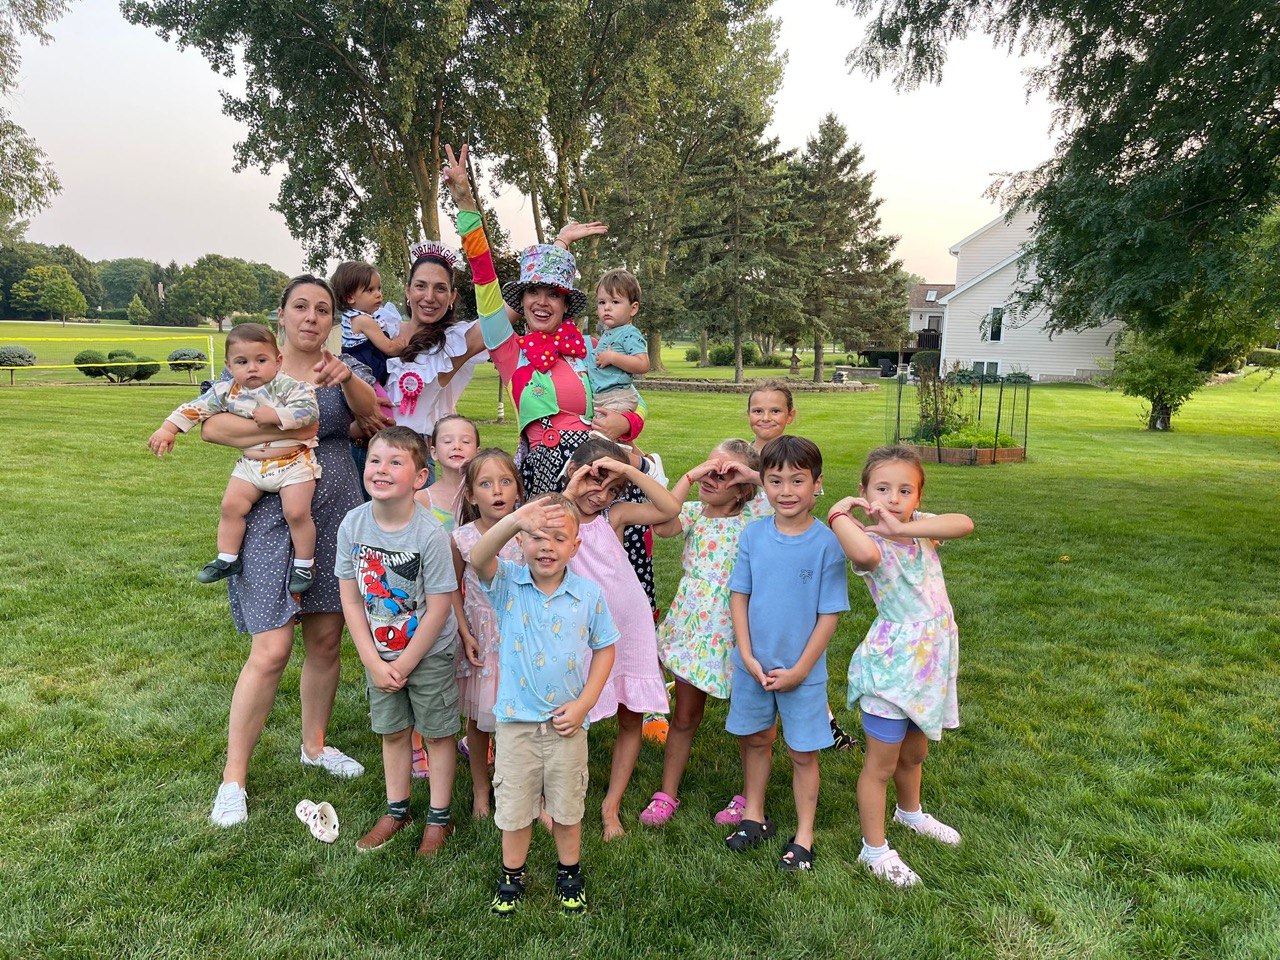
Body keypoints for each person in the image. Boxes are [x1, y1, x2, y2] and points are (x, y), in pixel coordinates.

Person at [202, 275, 381, 827]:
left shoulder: (342, 370)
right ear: (281, 315)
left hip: (334, 509)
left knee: (325, 640)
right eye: (300, 307)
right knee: (271, 649)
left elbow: (372, 416)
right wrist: (280, 442)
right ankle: (233, 778)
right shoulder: (256, 368)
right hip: (267, 514)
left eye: (322, 309)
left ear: (333, 320)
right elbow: (212, 427)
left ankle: (315, 746)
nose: (311, 317)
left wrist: (347, 379)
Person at [827, 445, 974, 888]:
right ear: (864, 492)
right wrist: (838, 515)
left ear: (918, 497)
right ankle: (873, 849)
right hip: (892, 670)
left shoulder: (920, 528)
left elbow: (964, 523)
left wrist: (907, 526)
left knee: (915, 753)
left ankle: (910, 813)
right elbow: (864, 557)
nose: (893, 498)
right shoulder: (868, 540)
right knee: (882, 764)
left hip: (929, 666)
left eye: (905, 490)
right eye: (882, 489)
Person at [470, 495, 618, 916]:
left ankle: (569, 873)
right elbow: (478, 556)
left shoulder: (588, 594)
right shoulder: (508, 584)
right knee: (515, 808)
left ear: (575, 546)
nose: (547, 546)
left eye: (558, 537)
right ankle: (511, 876)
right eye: (536, 536)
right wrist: (518, 518)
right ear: (520, 542)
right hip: (516, 725)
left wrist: (585, 704)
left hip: (566, 726)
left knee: (567, 808)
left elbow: (605, 648)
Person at [441, 143, 609, 495]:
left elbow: (629, 396)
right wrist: (466, 204)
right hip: (541, 481)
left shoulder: (589, 348)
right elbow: (483, 277)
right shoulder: (508, 350)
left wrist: (624, 425)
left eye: (553, 295)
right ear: (522, 300)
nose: (542, 302)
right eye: (533, 292)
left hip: (598, 476)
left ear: (565, 304)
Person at [724, 435, 849, 871]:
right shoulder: (753, 534)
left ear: (818, 484)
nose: (787, 491)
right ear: (763, 483)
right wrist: (746, 654)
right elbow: (739, 596)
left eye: (798, 480)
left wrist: (799, 671)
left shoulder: (827, 544)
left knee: (802, 752)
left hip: (802, 673)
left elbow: (829, 615)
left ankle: (804, 836)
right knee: (756, 740)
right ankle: (754, 816)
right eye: (776, 481)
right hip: (753, 667)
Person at [336, 427, 462, 856]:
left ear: (420, 477)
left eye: (395, 462)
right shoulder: (353, 524)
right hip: (380, 655)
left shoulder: (429, 534)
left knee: (437, 735)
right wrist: (373, 661)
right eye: (374, 460)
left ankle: (439, 817)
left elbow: (440, 607)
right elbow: (351, 599)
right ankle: (397, 810)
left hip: (428, 653)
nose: (381, 469)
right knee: (392, 732)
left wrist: (405, 664)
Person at [640, 439, 764, 828]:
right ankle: (667, 793)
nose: (711, 478)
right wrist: (691, 475)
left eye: (724, 475)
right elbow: (662, 523)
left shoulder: (756, 518)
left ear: (743, 488)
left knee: (748, 720)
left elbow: (786, 493)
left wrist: (751, 474)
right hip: (693, 632)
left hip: (737, 631)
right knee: (684, 716)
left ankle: (749, 797)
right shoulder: (694, 513)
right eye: (709, 468)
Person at [560, 438, 680, 840]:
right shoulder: (555, 512)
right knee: (570, 716)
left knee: (631, 715)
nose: (602, 495)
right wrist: (572, 489)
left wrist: (628, 470)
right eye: (596, 483)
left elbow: (669, 509)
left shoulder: (615, 515)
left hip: (628, 626)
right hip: (578, 633)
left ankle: (610, 805)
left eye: (612, 489)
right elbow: (535, 532)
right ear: (574, 471)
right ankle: (556, 797)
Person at [148, 322, 320, 595]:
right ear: (229, 365)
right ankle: (227, 558)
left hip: (293, 462)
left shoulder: (289, 386)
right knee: (230, 506)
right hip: (251, 465)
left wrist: (277, 415)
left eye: (261, 360)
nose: (252, 368)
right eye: (242, 362)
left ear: (277, 361)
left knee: (296, 512)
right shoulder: (226, 391)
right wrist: (168, 428)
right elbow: (196, 408)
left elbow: (309, 411)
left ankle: (304, 564)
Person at [743, 381, 858, 751]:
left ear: (790, 415)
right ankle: (759, 717)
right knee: (759, 639)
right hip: (756, 551)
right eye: (758, 410)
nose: (766, 417)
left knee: (794, 644)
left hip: (793, 552)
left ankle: (822, 721)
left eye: (775, 410)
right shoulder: (742, 454)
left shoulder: (796, 455)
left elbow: (804, 499)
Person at [451, 448, 526, 818]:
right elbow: (451, 587)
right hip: (482, 637)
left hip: (520, 637)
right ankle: (481, 790)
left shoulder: (527, 534)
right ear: (471, 495)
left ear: (517, 490)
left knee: (522, 720)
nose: (497, 490)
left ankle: (520, 787)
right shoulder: (462, 538)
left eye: (505, 481)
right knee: (480, 721)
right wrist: (464, 632)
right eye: (485, 483)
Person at [409, 412, 480, 780]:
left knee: (472, 667)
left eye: (466, 440)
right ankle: (416, 742)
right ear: (433, 451)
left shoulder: (484, 496)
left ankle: (473, 735)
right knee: (430, 669)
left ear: (477, 450)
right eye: (447, 441)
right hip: (432, 598)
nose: (457, 446)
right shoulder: (421, 500)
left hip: (475, 597)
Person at [384, 240, 486, 487]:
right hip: (363, 455)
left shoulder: (455, 342)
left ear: (452, 296)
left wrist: (560, 243)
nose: (429, 297)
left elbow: (504, 315)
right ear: (408, 291)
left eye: (440, 288)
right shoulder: (382, 328)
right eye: (421, 286)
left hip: (414, 458)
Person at [331, 260, 405, 385]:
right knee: (380, 397)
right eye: (370, 290)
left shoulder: (350, 317)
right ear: (350, 297)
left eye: (379, 288)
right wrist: (400, 345)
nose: (378, 294)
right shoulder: (363, 320)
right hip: (366, 373)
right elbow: (389, 348)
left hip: (358, 372)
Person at [587, 269, 649, 417]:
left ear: (633, 308)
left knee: (601, 429)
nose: (607, 307)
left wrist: (613, 358)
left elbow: (643, 364)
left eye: (615, 302)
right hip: (601, 397)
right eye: (602, 302)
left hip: (618, 398)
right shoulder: (609, 332)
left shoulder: (629, 333)